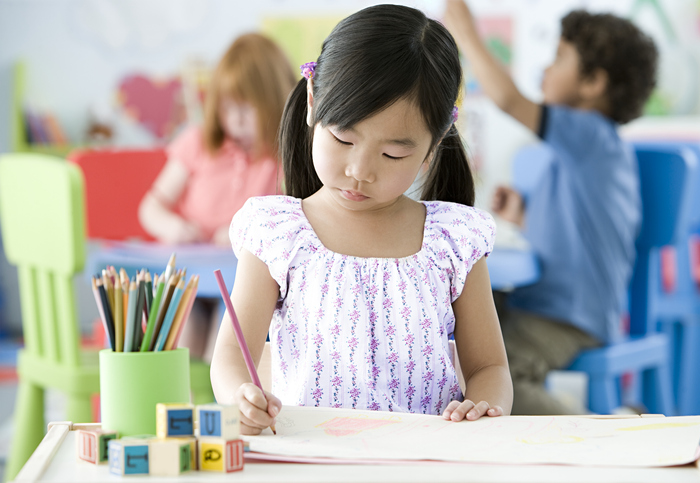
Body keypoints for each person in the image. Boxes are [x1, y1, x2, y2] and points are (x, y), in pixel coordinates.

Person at [210, 4, 513, 435]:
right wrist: (240, 395)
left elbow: (489, 366)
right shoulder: (276, 232)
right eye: (343, 137)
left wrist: (485, 406)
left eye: (394, 153)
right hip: (311, 458)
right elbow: (230, 358)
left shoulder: (453, 240)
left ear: (434, 143)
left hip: (423, 460)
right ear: (313, 101)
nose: (360, 170)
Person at [444, 0, 658, 414]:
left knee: (496, 382)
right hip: (542, 300)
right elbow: (578, 230)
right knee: (457, 335)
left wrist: (467, 33)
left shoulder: (591, 134)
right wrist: (522, 215)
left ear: (593, 82)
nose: (546, 69)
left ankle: (608, 434)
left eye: (559, 58)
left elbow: (507, 98)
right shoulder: (576, 151)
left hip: (569, 315)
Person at [138, 33, 296, 362]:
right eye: (227, 107)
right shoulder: (199, 143)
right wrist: (172, 226)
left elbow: (296, 219)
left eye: (247, 107)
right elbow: (151, 206)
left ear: (275, 102)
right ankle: (183, 410)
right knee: (177, 342)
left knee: (221, 351)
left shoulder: (285, 157)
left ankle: (217, 411)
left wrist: (242, 235)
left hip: (244, 286)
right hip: (189, 279)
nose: (235, 119)